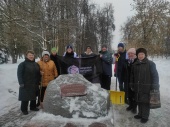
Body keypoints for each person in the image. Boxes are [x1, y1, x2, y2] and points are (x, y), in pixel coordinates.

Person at [130, 48, 159, 123]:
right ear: (137, 55)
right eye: (139, 54)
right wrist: (132, 83)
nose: (140, 56)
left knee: (145, 102)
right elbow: (132, 76)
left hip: (147, 87)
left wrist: (155, 85)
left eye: (142, 54)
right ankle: (140, 114)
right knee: (139, 101)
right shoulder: (135, 64)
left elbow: (155, 75)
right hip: (137, 86)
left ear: (145, 55)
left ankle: (145, 116)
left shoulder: (150, 64)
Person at [17, 50, 40, 115]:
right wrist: (21, 83)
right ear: (26, 56)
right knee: (25, 97)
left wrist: (39, 78)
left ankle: (33, 107)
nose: (31, 56)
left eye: (32, 55)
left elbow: (38, 73)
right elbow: (19, 74)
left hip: (34, 83)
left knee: (34, 96)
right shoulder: (22, 64)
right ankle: (24, 109)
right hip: (26, 83)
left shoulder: (36, 64)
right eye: (29, 55)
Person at [123, 48, 137, 113]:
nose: (130, 54)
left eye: (131, 53)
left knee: (134, 95)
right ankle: (131, 105)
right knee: (129, 94)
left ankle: (134, 107)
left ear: (134, 54)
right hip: (127, 80)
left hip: (134, 81)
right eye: (129, 53)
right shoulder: (127, 61)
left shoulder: (136, 61)